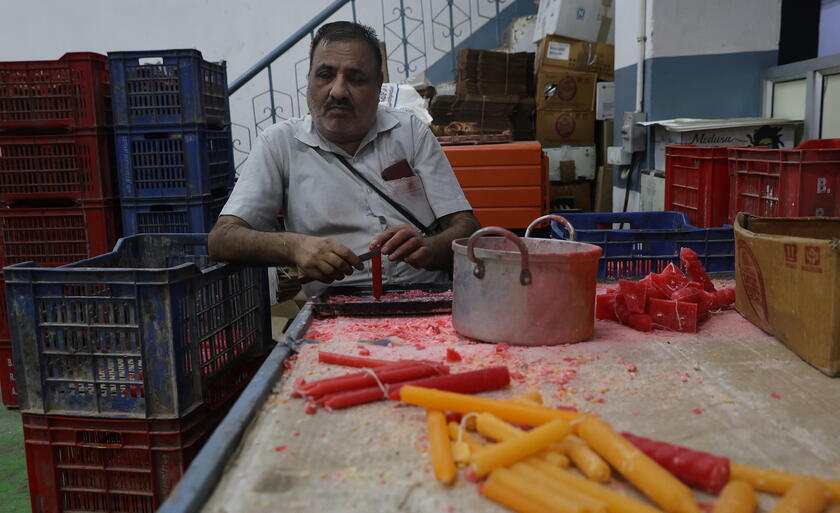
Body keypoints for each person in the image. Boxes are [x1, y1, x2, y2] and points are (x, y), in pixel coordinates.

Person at [208, 21, 480, 296]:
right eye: (325, 75)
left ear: (378, 85)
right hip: (337, 309)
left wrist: (432, 248)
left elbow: (467, 228)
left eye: (356, 78)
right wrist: (295, 246)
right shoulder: (279, 144)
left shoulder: (409, 132)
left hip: (429, 297)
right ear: (309, 80)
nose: (337, 91)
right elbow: (222, 239)